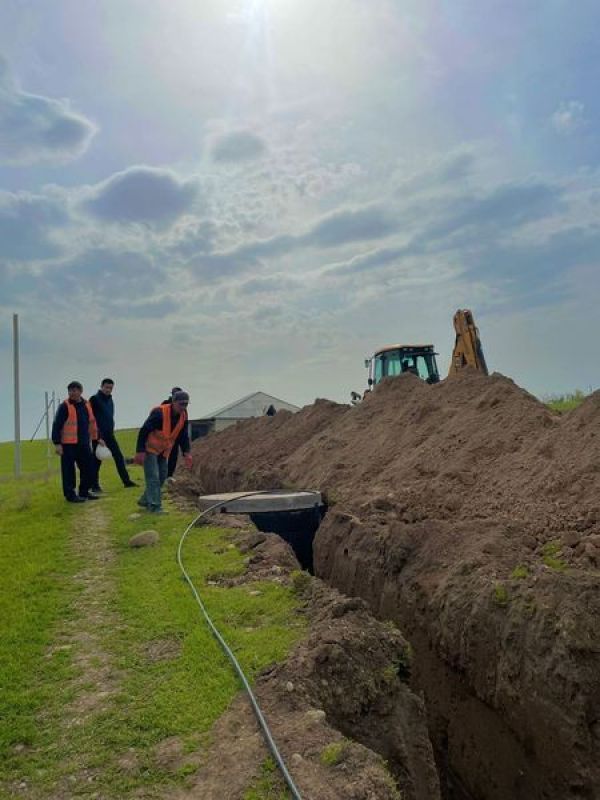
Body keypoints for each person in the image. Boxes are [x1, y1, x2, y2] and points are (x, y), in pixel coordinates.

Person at [134, 390, 192, 514]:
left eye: (186, 404)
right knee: (153, 477)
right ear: (173, 402)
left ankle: (145, 500)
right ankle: (155, 507)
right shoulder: (159, 413)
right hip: (150, 448)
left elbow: (183, 435)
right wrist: (140, 451)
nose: (183, 407)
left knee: (162, 476)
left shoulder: (183, 416)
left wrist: (186, 452)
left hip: (164, 450)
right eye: (181, 404)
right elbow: (144, 430)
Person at [51, 381, 103, 503]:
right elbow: (56, 425)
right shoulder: (64, 406)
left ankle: (84, 492)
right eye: (70, 391)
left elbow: (92, 422)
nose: (73, 393)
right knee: (68, 471)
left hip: (83, 443)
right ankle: (70, 495)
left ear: (81, 391)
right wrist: (57, 443)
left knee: (88, 468)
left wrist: (97, 437)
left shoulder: (87, 405)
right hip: (68, 444)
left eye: (75, 390)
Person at [89, 378, 137, 492]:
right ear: (101, 386)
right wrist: (98, 437)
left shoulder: (110, 400)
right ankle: (94, 485)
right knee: (97, 460)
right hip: (98, 435)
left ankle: (127, 482)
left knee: (119, 457)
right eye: (106, 387)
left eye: (110, 388)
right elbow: (91, 419)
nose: (108, 390)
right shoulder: (94, 399)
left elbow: (109, 418)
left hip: (109, 435)